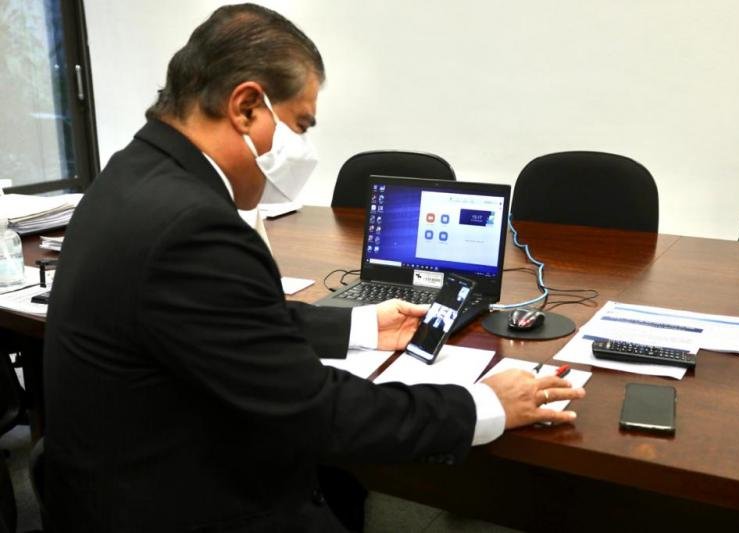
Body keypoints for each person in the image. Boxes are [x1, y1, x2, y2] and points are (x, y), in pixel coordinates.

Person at [43, 4, 585, 532]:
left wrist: (363, 325)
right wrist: (484, 404)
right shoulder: (193, 227)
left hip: (112, 476)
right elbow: (317, 414)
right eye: (300, 125)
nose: (302, 146)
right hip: (188, 501)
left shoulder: (130, 175)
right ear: (246, 106)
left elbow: (228, 325)